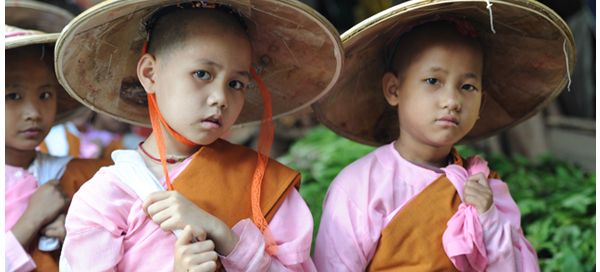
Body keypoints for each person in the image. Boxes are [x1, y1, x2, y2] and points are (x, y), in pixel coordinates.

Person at [56, 0, 343, 271]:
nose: (220, 98)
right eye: (202, 74)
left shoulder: (264, 183)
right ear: (149, 74)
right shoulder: (106, 197)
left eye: (235, 83)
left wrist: (227, 238)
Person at [311, 0, 575, 271]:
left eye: (468, 86)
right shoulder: (359, 186)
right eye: (433, 81)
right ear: (393, 90)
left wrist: (487, 217)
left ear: (481, 104)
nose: (452, 100)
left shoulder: (485, 187)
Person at [5, 1, 112, 271]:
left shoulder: (75, 176)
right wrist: (32, 219)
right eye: (13, 96)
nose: (33, 112)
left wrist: (74, 239)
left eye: (45, 95)